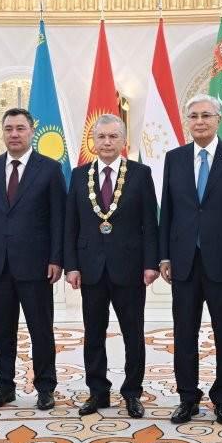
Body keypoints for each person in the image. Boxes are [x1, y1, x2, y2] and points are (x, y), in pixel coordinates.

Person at [159, 94, 222, 426]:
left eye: (206, 115)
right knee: (184, 333)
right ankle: (187, 398)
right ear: (187, 121)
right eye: (193, 116)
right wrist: (164, 255)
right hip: (184, 261)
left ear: (218, 120)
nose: (199, 121)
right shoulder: (174, 158)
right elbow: (167, 211)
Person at [0, 108, 66, 411]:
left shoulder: (49, 169)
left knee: (41, 330)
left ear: (32, 132)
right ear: (2, 133)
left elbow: (58, 219)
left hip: (36, 264)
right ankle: (4, 386)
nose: (14, 134)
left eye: (20, 128)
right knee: (2, 330)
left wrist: (57, 258)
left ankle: (45, 387)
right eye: (9, 128)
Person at [64, 114, 159, 418]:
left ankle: (132, 393)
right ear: (93, 141)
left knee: (133, 334)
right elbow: (70, 224)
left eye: (113, 136)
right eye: (101, 137)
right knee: (93, 333)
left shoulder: (140, 174)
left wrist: (151, 264)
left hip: (130, 268)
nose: (106, 142)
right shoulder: (79, 175)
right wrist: (71, 266)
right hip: (90, 267)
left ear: (123, 140)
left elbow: (150, 223)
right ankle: (98, 391)